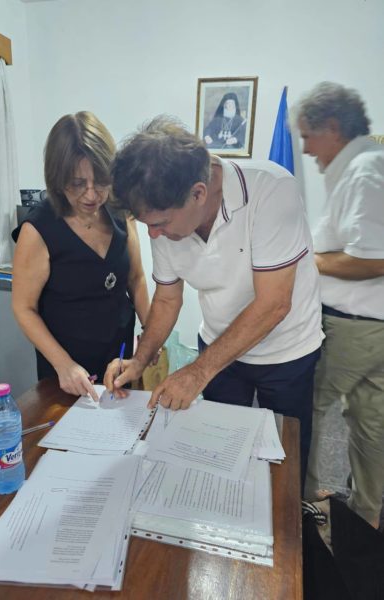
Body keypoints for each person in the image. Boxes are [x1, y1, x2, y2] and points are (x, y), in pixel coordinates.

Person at [104, 116, 323, 482]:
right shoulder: (164, 215)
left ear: (198, 193)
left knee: (284, 461)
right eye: (147, 225)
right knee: (220, 453)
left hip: (286, 351)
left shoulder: (271, 190)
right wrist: (140, 359)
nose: (153, 234)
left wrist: (197, 372)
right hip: (220, 344)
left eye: (159, 223)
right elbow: (167, 299)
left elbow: (274, 304)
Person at [12, 111, 150, 401]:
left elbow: (136, 280)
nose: (91, 194)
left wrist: (151, 336)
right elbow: (24, 308)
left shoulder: (120, 211)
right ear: (58, 179)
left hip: (119, 358)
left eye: (101, 181)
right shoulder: (38, 229)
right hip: (67, 367)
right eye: (77, 183)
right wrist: (64, 365)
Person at [296, 82, 384, 528]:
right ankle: (366, 515)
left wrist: (310, 260)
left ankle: (303, 506)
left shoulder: (364, 172)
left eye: (308, 136)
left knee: (307, 406)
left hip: (354, 326)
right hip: (373, 326)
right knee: (369, 420)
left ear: (332, 127)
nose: (305, 149)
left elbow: (374, 259)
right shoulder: (370, 164)